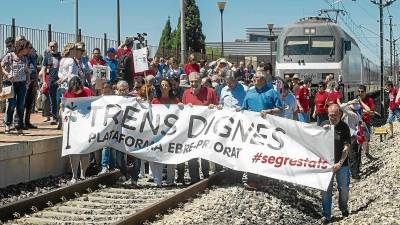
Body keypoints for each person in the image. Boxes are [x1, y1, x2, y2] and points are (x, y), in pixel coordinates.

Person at [241, 69, 282, 189]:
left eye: (257, 77)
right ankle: (252, 178)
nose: (253, 79)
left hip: (267, 130)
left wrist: (269, 111)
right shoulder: (249, 93)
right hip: (252, 130)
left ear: (263, 80)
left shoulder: (272, 92)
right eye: (253, 77)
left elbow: (280, 108)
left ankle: (265, 178)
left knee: (265, 154)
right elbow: (244, 109)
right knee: (252, 153)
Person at [181, 72, 218, 184]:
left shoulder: (210, 92)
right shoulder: (186, 93)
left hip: (206, 129)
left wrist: (214, 107)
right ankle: (194, 178)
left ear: (200, 81)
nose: (193, 83)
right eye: (191, 81)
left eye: (196, 81)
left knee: (204, 152)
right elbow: (182, 110)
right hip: (191, 129)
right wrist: (182, 106)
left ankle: (206, 175)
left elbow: (218, 106)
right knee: (192, 153)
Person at [320, 104, 351, 223]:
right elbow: (316, 141)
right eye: (330, 115)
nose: (332, 118)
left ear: (340, 114)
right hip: (326, 164)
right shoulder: (323, 124)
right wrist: (323, 132)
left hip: (341, 164)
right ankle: (326, 215)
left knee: (344, 188)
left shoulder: (344, 127)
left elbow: (346, 147)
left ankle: (343, 208)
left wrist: (340, 162)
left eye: (334, 115)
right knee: (325, 190)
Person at [63, 76, 94, 184]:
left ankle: (83, 173)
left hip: (86, 125)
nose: (75, 92)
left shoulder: (87, 91)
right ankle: (74, 175)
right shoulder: (67, 93)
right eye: (73, 90)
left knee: (85, 151)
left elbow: (95, 105)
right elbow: (63, 107)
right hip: (73, 127)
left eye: (77, 90)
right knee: (73, 150)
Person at [149, 79, 180, 186]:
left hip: (171, 133)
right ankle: (157, 180)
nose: (164, 87)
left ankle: (170, 180)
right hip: (157, 133)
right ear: (160, 87)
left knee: (170, 156)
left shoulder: (175, 100)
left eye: (166, 85)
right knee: (155, 155)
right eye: (162, 85)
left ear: (170, 87)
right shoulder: (154, 101)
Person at [1, 39, 31, 135]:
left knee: (21, 105)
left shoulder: (25, 58)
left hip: (22, 84)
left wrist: (28, 79)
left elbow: (26, 70)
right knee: (11, 104)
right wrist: (7, 74)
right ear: (22, 47)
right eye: (27, 47)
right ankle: (7, 124)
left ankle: (19, 126)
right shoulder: (9, 56)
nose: (28, 50)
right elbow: (1, 66)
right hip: (10, 83)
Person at [41, 41, 62, 125]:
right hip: (51, 81)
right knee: (52, 100)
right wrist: (43, 82)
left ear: (57, 46)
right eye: (51, 46)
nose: (53, 48)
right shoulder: (47, 57)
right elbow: (44, 70)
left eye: (54, 46)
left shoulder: (61, 56)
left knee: (59, 100)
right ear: (49, 47)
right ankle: (54, 118)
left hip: (60, 81)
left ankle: (60, 117)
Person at [24, 45, 39, 129]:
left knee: (30, 103)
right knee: (23, 102)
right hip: (25, 82)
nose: (31, 50)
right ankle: (20, 122)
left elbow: (36, 69)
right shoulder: (23, 57)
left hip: (33, 81)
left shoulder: (32, 57)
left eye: (31, 48)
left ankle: (27, 121)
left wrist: (36, 81)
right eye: (29, 48)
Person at [357, 85, 375, 159]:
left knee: (366, 139)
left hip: (366, 122)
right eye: (359, 91)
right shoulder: (355, 101)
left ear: (365, 92)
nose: (360, 93)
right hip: (357, 123)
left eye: (362, 91)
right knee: (358, 139)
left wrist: (363, 110)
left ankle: (367, 154)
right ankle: (359, 155)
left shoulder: (369, 100)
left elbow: (372, 113)